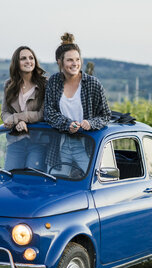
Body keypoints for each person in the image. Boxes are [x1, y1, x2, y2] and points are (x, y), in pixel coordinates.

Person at [44, 33, 111, 176]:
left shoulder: (92, 84)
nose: (75, 63)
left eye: (77, 59)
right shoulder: (53, 82)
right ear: (59, 62)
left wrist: (90, 123)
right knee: (56, 185)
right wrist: (67, 124)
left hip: (87, 144)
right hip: (60, 144)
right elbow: (48, 112)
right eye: (69, 60)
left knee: (95, 182)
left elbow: (105, 115)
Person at [1, 46, 47, 171]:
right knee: (10, 180)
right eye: (23, 58)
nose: (28, 61)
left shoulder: (44, 85)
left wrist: (17, 118)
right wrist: (18, 122)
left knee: (31, 181)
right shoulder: (8, 85)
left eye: (31, 58)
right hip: (15, 141)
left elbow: (42, 114)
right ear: (17, 62)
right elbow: (4, 113)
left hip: (38, 142)